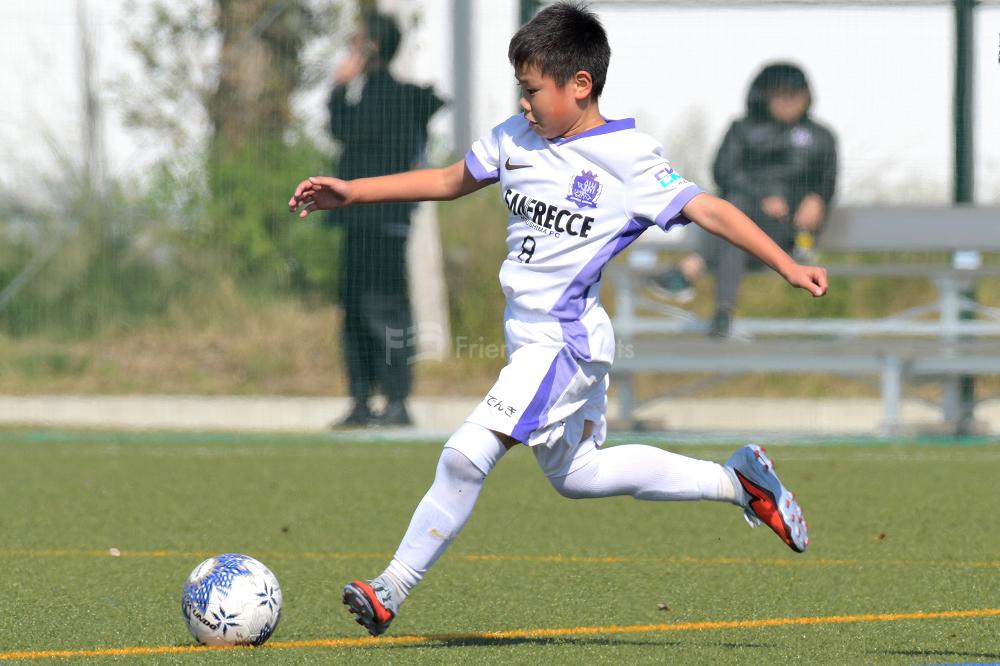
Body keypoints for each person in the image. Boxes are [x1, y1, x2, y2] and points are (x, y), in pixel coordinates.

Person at [289, 2, 825, 636]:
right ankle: (739, 483)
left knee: (465, 455)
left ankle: (390, 589)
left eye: (533, 90)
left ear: (581, 85)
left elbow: (709, 209)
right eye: (520, 89)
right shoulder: (516, 138)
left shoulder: (627, 158)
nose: (524, 104)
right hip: (532, 340)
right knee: (580, 475)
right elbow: (448, 179)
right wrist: (353, 191)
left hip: (562, 344)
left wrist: (786, 263)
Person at [648, 63, 837, 337]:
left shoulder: (821, 137)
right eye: (780, 94)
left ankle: (692, 270)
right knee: (735, 221)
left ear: (806, 96)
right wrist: (763, 198)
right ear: (764, 95)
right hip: (741, 225)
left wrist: (817, 198)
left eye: (794, 94)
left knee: (732, 223)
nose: (787, 102)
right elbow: (724, 173)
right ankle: (723, 314)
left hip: (787, 233)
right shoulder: (742, 130)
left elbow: (827, 180)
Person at [326, 11, 444, 427]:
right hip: (358, 222)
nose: (350, 51)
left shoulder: (394, 97)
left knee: (385, 309)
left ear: (371, 49)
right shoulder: (375, 96)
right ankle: (361, 399)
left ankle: (396, 399)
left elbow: (344, 129)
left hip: (384, 223)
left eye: (357, 43)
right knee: (355, 311)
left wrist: (339, 86)